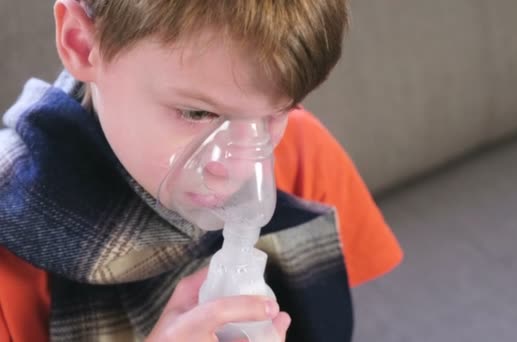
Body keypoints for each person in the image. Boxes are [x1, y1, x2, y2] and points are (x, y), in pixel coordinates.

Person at [0, 0, 403, 341]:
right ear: (82, 43)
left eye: (277, 112)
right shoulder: (10, 267)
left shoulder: (302, 151)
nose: (242, 165)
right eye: (197, 112)